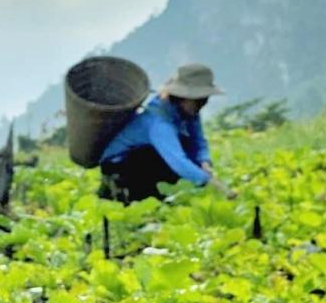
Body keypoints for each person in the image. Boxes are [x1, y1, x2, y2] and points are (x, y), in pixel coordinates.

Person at [98, 63, 238, 203]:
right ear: (182, 98)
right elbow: (177, 160)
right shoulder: (159, 122)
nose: (203, 104)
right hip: (121, 165)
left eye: (205, 100)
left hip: (150, 160)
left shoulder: (189, 112)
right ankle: (127, 195)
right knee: (154, 159)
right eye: (199, 101)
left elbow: (198, 141)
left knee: (186, 151)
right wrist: (213, 184)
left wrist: (204, 161)